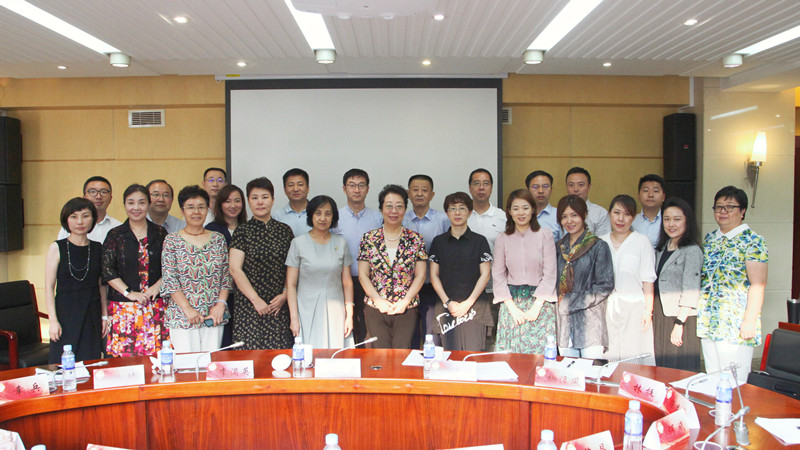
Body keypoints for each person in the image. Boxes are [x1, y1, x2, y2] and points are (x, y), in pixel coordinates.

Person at [697, 186, 768, 383]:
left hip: (735, 322)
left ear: (742, 211)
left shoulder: (753, 241)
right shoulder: (710, 239)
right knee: (713, 378)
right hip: (710, 319)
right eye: (718, 207)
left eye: (730, 207)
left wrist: (750, 320)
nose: (723, 212)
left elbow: (758, 284)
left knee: (734, 382)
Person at [160, 186, 231, 352]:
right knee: (187, 369)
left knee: (211, 366)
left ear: (208, 210)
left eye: (201, 207)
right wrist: (188, 310)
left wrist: (220, 305)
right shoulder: (172, 241)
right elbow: (170, 279)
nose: (196, 212)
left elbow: (226, 276)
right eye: (190, 207)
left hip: (214, 316)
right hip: (183, 316)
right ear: (182, 211)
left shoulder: (218, 239)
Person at [229, 177, 296, 350]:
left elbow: (293, 267)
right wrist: (256, 300)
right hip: (249, 307)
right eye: (254, 197)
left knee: (280, 358)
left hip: (278, 306)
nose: (260, 202)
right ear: (248, 201)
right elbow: (235, 269)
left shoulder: (284, 231)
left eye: (265, 197)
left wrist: (285, 294)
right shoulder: (242, 231)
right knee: (250, 358)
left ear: (273, 200)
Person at [102, 184, 168, 357]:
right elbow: (107, 269)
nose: (136, 208)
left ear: (148, 204)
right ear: (124, 205)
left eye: (141, 202)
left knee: (157, 360)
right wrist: (128, 292)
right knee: (124, 362)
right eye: (131, 203)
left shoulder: (160, 233)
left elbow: (170, 266)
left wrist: (157, 286)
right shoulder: (115, 234)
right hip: (124, 308)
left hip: (155, 305)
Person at [358, 184, 427, 349]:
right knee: (379, 355)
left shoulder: (416, 239)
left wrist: (406, 301)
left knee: (402, 352)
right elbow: (363, 275)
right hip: (375, 307)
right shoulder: (369, 239)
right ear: (381, 209)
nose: (394, 211)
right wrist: (378, 300)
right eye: (389, 206)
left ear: (405, 209)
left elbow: (421, 275)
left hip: (406, 307)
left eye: (399, 206)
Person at [492, 190, 557, 354]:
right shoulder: (502, 238)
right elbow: (498, 276)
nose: (521, 213)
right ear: (509, 212)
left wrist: (537, 306)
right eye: (515, 208)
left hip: (541, 302)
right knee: (510, 359)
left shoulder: (545, 234)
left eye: (525, 208)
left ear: (533, 210)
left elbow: (550, 273)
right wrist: (512, 308)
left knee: (539, 359)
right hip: (511, 302)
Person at [286, 195, 354, 349]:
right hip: (306, 308)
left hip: (335, 307)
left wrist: (349, 314)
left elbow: (347, 283)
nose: (322, 218)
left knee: (337, 355)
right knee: (309, 355)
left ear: (334, 217)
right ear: (310, 215)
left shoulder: (341, 243)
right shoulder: (298, 243)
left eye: (328, 213)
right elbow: (290, 284)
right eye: (318, 213)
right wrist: (294, 317)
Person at [45, 198, 106, 363]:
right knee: (62, 365)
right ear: (66, 220)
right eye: (74, 216)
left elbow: (102, 285)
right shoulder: (57, 247)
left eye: (85, 216)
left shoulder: (98, 248)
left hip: (91, 312)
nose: (80, 222)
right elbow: (49, 287)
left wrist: (104, 316)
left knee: (90, 363)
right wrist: (53, 320)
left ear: (93, 219)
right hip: (65, 313)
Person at [429, 192, 493, 351]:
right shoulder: (439, 241)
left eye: (462, 208)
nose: (457, 213)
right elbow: (433, 275)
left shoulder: (480, 241)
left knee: (473, 355)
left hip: (475, 307)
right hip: (446, 308)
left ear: (470, 212)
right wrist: (448, 302)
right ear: (447, 213)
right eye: (453, 208)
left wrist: (469, 303)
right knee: (448, 357)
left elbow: (485, 274)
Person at [555, 195, 614, 359]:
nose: (569, 221)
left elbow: (604, 286)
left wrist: (571, 302)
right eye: (564, 217)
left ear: (584, 215)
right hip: (564, 324)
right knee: (568, 376)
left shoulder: (598, 246)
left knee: (591, 376)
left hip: (590, 323)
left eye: (574, 215)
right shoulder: (559, 248)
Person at [600, 195, 656, 365]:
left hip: (634, 307)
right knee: (609, 356)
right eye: (616, 213)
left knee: (634, 355)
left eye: (627, 214)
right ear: (609, 214)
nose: (621, 219)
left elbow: (648, 279)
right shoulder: (600, 242)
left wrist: (648, 310)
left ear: (633, 217)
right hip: (606, 307)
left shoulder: (642, 242)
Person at [332, 168, 383, 344]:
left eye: (361, 185)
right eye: (352, 185)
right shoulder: (334, 217)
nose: (356, 190)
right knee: (346, 325)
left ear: (368, 189)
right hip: (342, 281)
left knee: (369, 328)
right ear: (344, 188)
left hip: (371, 281)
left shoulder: (378, 218)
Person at [653, 197, 702, 371]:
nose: (671, 224)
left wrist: (679, 324)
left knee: (679, 369)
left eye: (677, 219)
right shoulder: (662, 248)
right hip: (661, 314)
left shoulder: (692, 250)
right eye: (667, 219)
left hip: (681, 318)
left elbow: (691, 289)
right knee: (663, 366)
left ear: (687, 221)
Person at [403, 174, 450, 347]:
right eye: (415, 190)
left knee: (432, 332)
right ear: (408, 193)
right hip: (406, 286)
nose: (420, 194)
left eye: (424, 190)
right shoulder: (401, 218)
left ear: (432, 194)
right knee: (410, 333)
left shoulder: (443, 220)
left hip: (434, 285)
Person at [57, 176, 122, 243]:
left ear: (110, 198)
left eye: (104, 192)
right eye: (93, 192)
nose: (98, 196)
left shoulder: (118, 227)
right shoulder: (72, 227)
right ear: (84, 197)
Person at [466, 168, 506, 252]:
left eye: (486, 183)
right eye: (476, 183)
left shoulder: (503, 217)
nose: (481, 187)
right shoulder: (460, 215)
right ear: (470, 188)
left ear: (491, 188)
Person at [565, 167, 610, 236]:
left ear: (589, 187)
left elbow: (603, 242)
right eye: (571, 185)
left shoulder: (600, 213)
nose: (576, 189)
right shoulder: (560, 212)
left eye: (581, 185)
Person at [273, 168, 312, 237]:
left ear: (308, 189)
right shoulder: (276, 217)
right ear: (285, 190)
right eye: (291, 185)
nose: (296, 189)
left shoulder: (318, 214)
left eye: (300, 184)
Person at [632, 174, 666, 248]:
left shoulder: (669, 222)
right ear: (639, 196)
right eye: (646, 190)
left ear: (663, 197)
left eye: (655, 191)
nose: (650, 195)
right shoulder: (631, 221)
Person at [526, 170, 561, 242]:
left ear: (551, 189)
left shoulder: (559, 215)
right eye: (535, 187)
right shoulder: (520, 215)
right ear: (528, 190)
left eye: (545, 186)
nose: (541, 191)